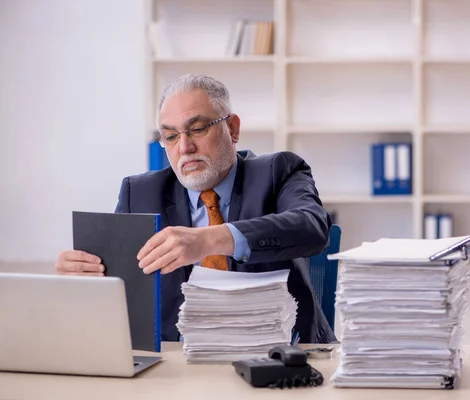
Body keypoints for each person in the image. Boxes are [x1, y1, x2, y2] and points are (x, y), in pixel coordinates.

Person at [55, 73, 337, 344]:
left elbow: (312, 226)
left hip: (281, 353)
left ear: (233, 128)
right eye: (170, 136)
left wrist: (208, 240)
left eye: (198, 129)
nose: (185, 147)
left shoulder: (279, 172)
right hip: (180, 360)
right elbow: (120, 291)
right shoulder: (139, 193)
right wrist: (84, 282)